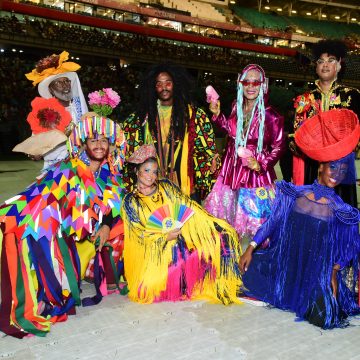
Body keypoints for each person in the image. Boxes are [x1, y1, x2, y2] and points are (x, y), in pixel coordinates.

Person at [0, 89, 125, 338]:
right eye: (93, 140)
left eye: (104, 141)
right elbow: (45, 198)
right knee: (43, 257)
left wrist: (106, 225)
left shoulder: (110, 175)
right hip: (46, 223)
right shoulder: (69, 168)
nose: (99, 145)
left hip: (70, 231)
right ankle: (37, 298)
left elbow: (110, 207)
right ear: (84, 143)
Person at [240, 108, 360, 329]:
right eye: (333, 167)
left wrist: (334, 272)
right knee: (247, 270)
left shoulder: (342, 211)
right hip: (286, 265)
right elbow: (273, 222)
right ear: (321, 167)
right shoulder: (293, 194)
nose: (337, 174)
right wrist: (252, 247)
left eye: (343, 170)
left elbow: (349, 248)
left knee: (325, 317)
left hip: (317, 273)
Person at [121, 144, 242, 305]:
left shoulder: (166, 187)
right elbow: (139, 236)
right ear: (136, 171)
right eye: (146, 170)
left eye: (155, 171)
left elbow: (189, 207)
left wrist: (214, 223)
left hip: (179, 247)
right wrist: (164, 237)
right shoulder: (130, 201)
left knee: (221, 238)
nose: (151, 176)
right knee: (149, 289)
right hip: (153, 261)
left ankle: (219, 284)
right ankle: (185, 281)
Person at [204, 64, 285, 240]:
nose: (250, 86)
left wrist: (262, 164)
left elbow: (278, 147)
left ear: (263, 85)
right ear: (240, 84)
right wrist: (218, 116)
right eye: (246, 82)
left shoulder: (272, 116)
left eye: (255, 83)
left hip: (254, 174)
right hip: (231, 169)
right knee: (227, 225)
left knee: (254, 227)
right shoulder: (236, 106)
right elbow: (231, 130)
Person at [122, 63, 220, 202]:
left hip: (185, 189)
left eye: (168, 83)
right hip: (152, 188)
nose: (164, 88)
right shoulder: (142, 117)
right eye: (159, 84)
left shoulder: (194, 116)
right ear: (153, 87)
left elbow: (206, 149)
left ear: (176, 84)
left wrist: (212, 162)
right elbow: (121, 136)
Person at [292, 39, 360, 207]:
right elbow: (295, 134)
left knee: (341, 214)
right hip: (313, 167)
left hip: (343, 167)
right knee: (312, 213)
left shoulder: (352, 96)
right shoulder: (304, 99)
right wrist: (300, 146)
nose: (325, 64)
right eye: (320, 61)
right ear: (316, 67)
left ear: (339, 65)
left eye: (331, 60)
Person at [25, 50, 88, 171]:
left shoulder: (79, 108)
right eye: (59, 83)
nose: (65, 86)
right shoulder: (45, 113)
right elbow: (36, 145)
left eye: (66, 81)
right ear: (51, 90)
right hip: (55, 170)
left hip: (82, 167)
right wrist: (35, 152)